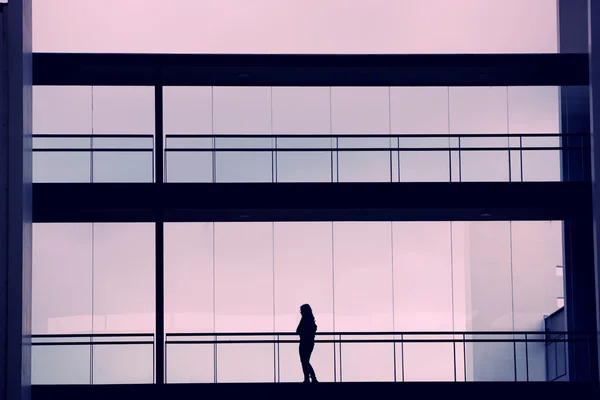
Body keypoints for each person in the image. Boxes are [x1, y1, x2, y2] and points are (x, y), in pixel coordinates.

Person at [296, 304, 319, 383]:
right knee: (306, 361)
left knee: (304, 361)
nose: (301, 312)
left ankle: (309, 378)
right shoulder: (311, 320)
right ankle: (312, 378)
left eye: (301, 311)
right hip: (310, 343)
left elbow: (298, 331)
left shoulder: (304, 319)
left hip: (304, 342)